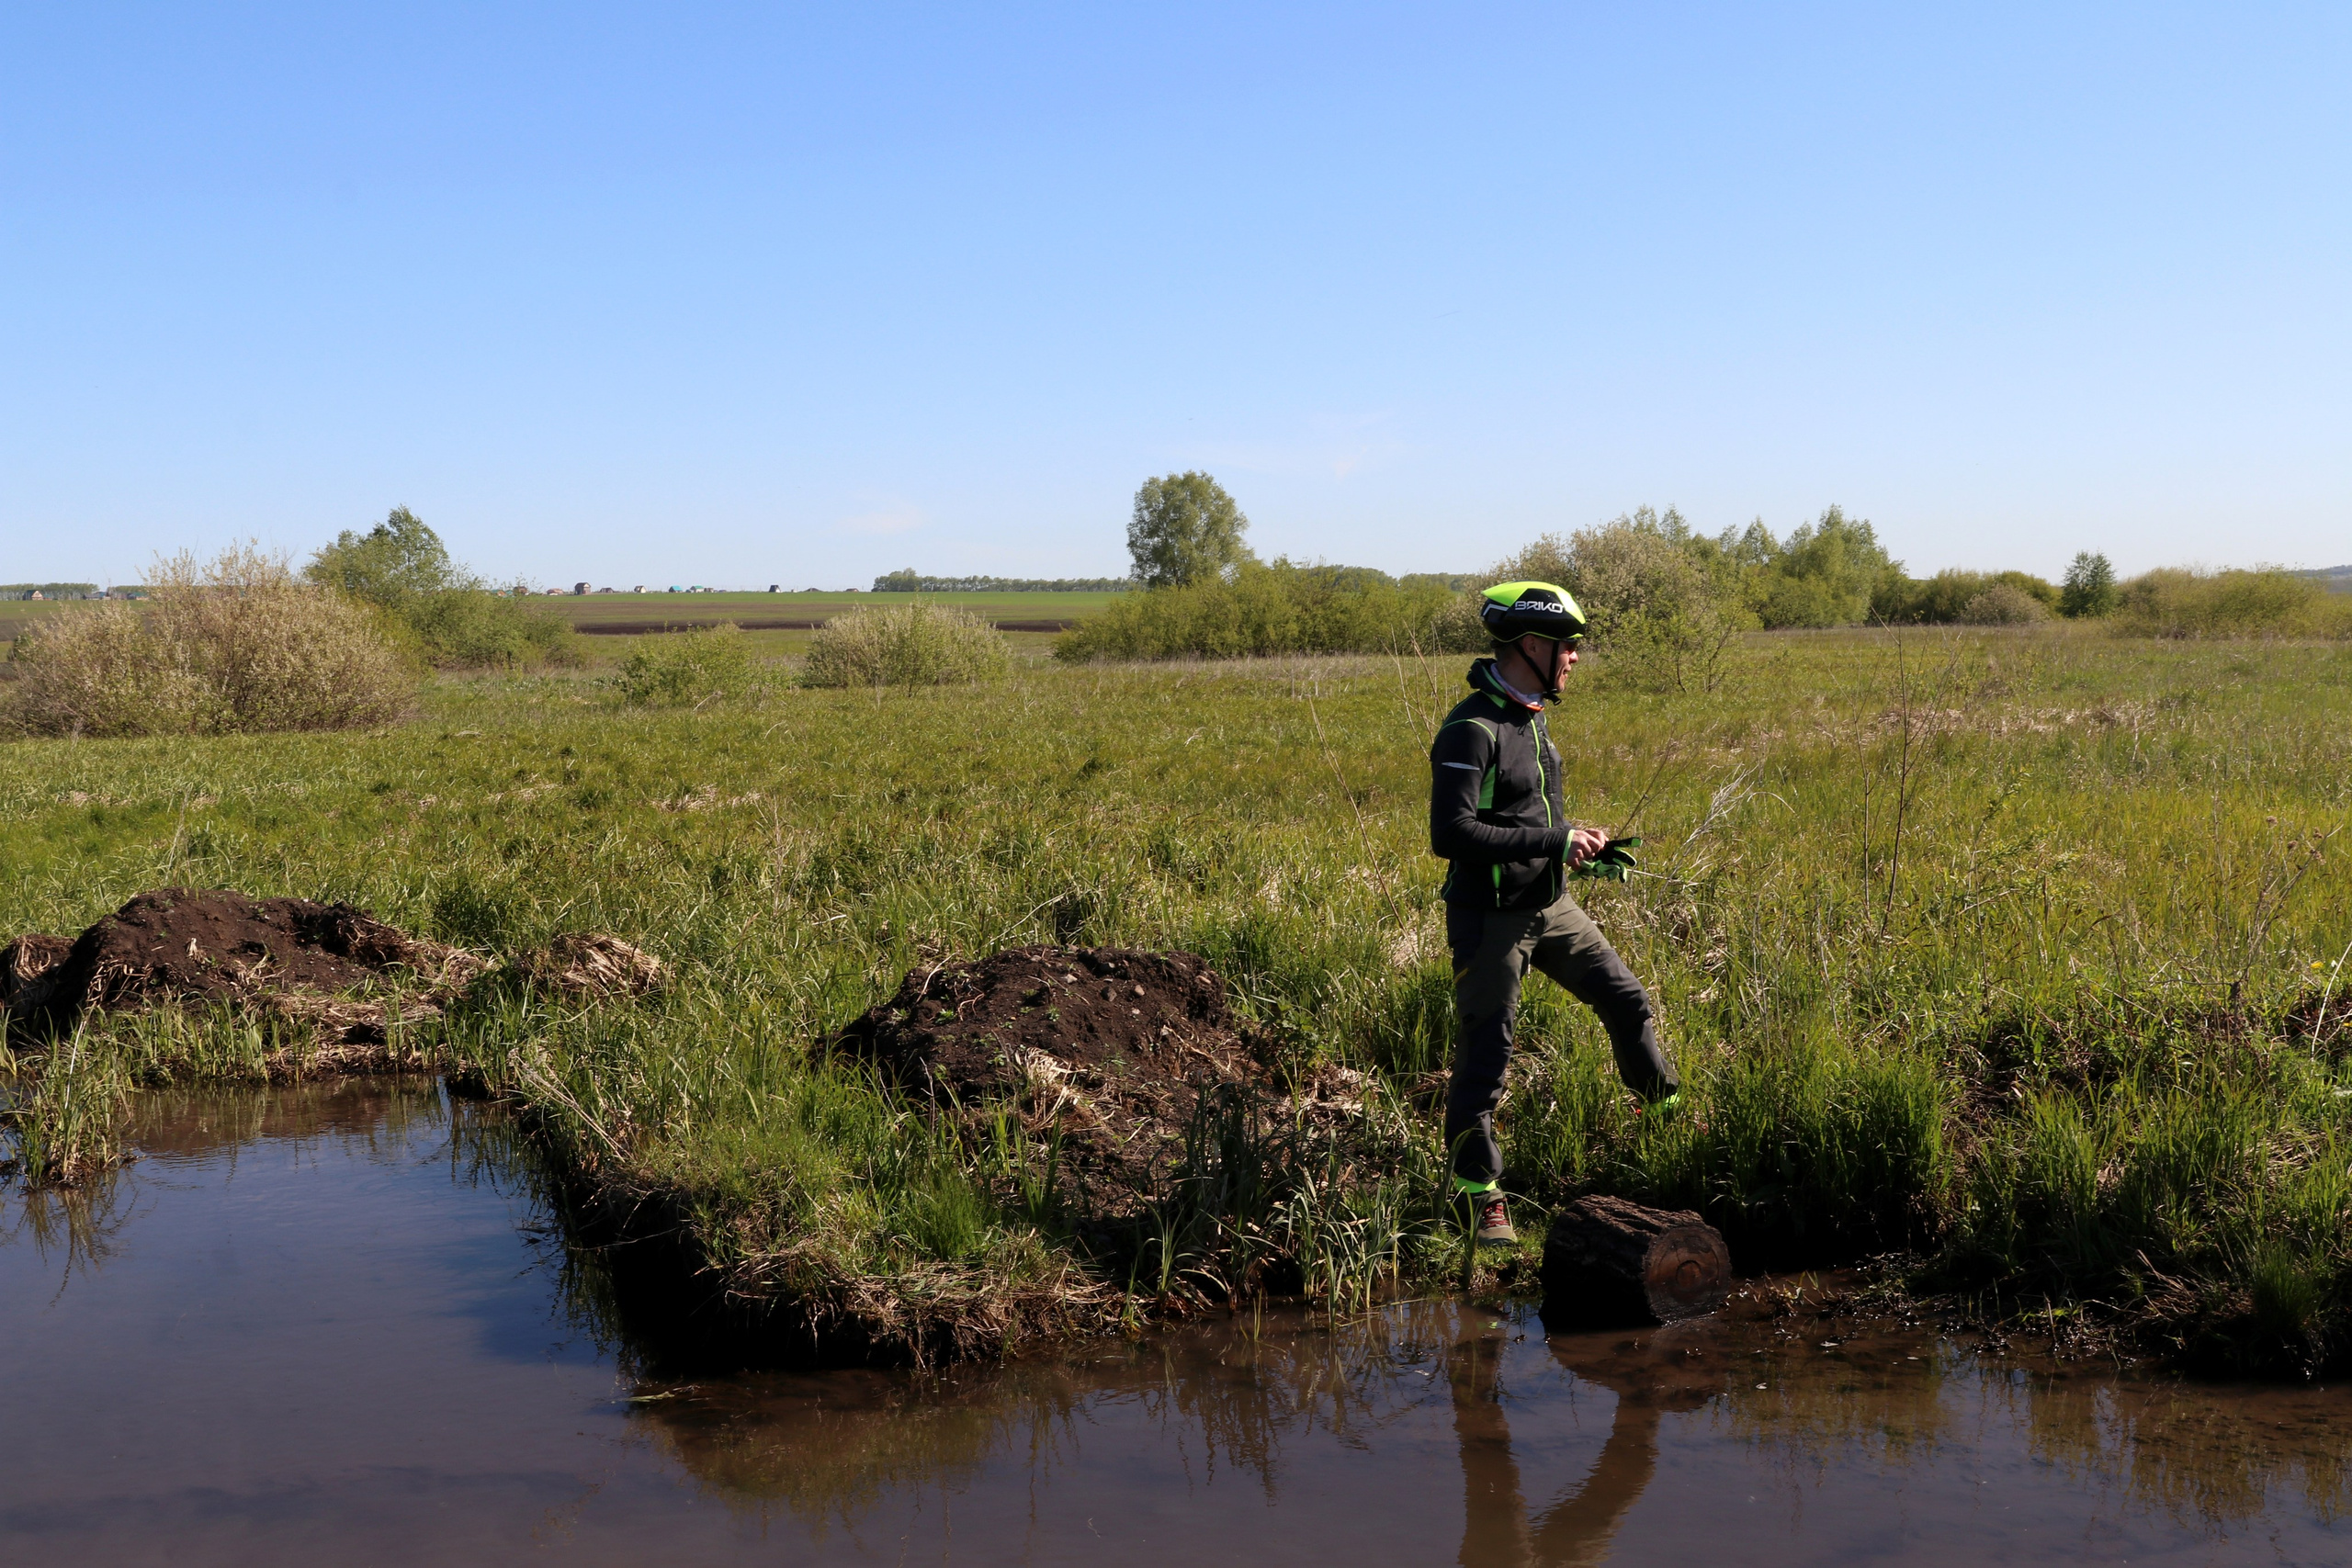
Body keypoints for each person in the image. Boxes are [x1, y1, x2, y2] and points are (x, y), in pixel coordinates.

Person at [1428, 581, 1680, 1244]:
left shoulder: (1530, 713)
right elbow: (1450, 834)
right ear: (1532, 644)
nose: (1574, 657)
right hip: (1491, 919)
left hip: (1550, 904)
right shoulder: (1470, 727)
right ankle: (1479, 1199)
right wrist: (1552, 841)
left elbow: (1527, 815)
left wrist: (1581, 850)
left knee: (1626, 999)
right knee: (1486, 1057)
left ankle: (1666, 1117)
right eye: (1568, 645)